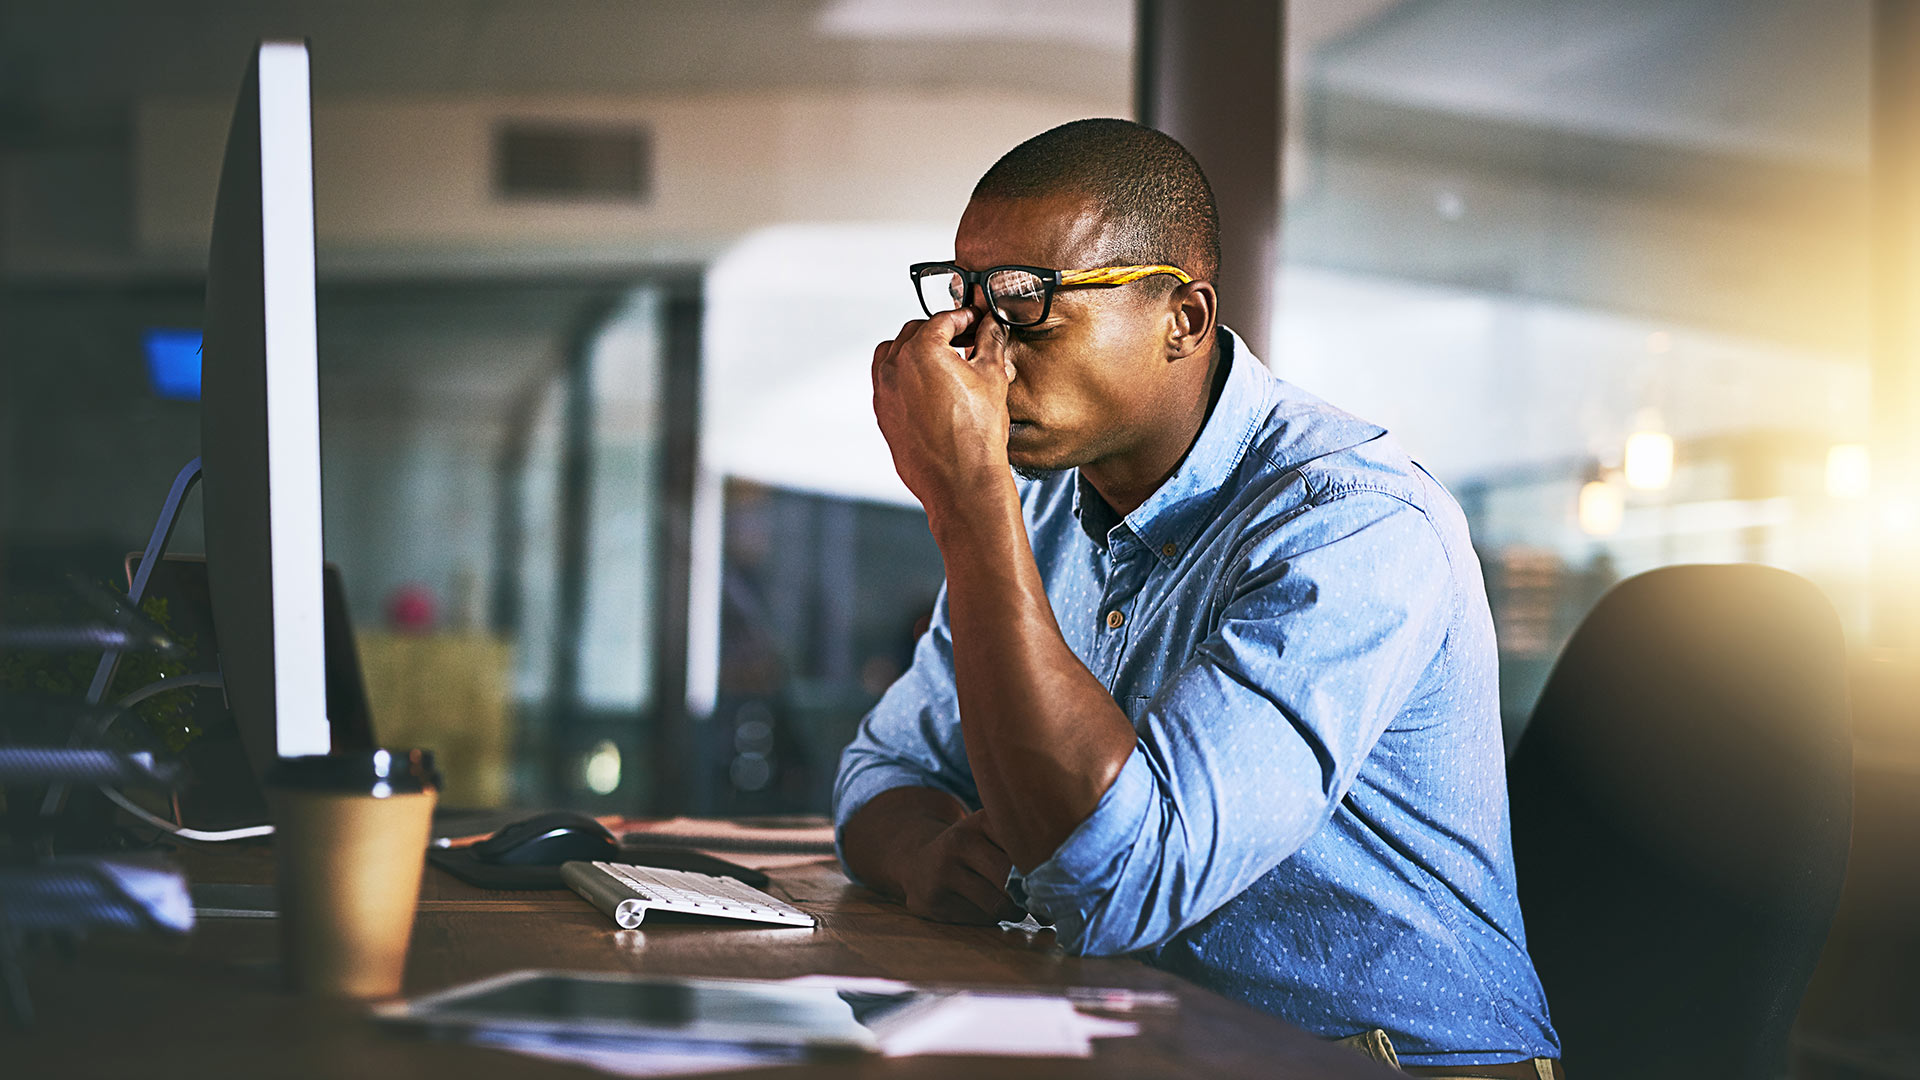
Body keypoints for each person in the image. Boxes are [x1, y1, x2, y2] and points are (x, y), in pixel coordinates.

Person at [834, 118, 1561, 1074]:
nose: (980, 355)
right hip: (1157, 1044)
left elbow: (1119, 878)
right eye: (966, 303)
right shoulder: (1050, 505)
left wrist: (968, 501)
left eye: (1028, 305)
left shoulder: (1357, 526)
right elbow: (880, 769)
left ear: (1183, 318)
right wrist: (928, 856)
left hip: (1389, 1062)